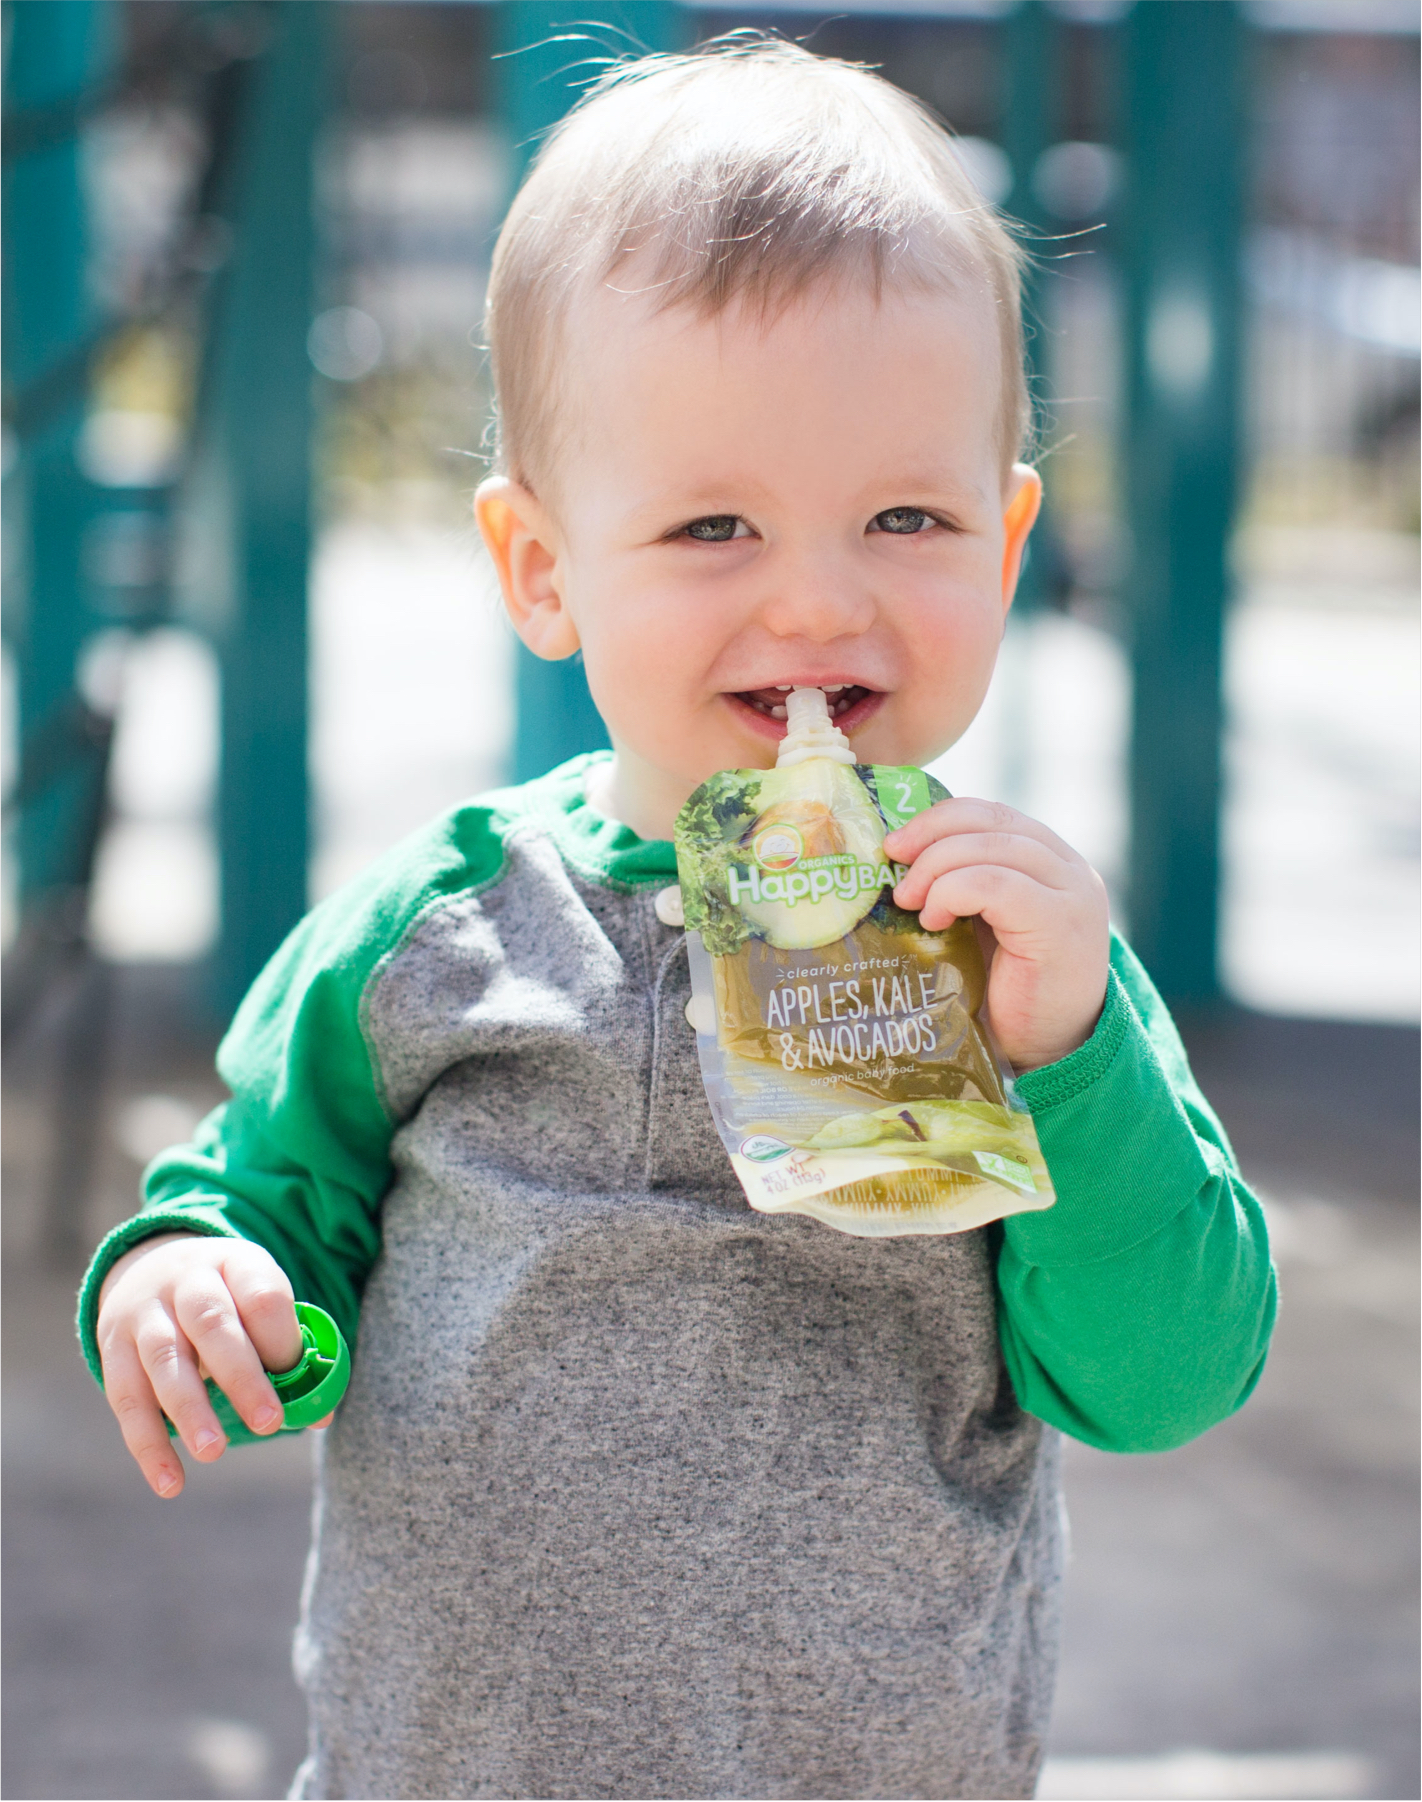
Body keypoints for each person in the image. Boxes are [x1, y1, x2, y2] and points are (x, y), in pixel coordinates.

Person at [78, 39, 1275, 1801]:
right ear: (543, 572)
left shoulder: (1015, 953)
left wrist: (1074, 1058)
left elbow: (1161, 1377)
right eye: (714, 523)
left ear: (1006, 546)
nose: (816, 592)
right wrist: (209, 1290)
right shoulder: (437, 932)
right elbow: (258, 1196)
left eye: (906, 514)